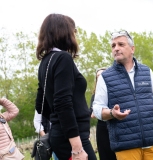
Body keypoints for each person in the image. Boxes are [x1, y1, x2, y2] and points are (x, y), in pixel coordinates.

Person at [93, 30, 153, 160]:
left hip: (152, 140)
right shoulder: (105, 77)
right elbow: (97, 108)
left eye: (120, 44)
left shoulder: (146, 71)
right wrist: (112, 113)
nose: (116, 49)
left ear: (132, 49)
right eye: (113, 46)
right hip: (126, 144)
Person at [35, 13, 96, 160]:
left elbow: (40, 106)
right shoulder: (63, 58)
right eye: (74, 32)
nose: (75, 36)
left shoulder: (45, 62)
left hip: (62, 136)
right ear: (64, 32)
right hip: (72, 140)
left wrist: (57, 123)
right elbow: (62, 103)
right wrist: (76, 147)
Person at [90, 68, 117, 160]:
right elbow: (92, 114)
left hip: (116, 126)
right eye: (98, 76)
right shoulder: (95, 96)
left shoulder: (115, 92)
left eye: (103, 75)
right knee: (105, 155)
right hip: (103, 129)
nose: (100, 77)